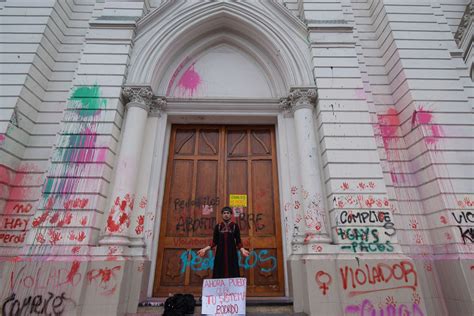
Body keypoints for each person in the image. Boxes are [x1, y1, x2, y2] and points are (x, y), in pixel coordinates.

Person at [197, 206, 249, 278]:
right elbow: (214, 242)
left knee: (232, 272)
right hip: (220, 254)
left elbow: (238, 241)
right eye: (224, 213)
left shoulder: (234, 226)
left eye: (228, 213)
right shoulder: (218, 226)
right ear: (222, 215)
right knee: (219, 272)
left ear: (231, 215)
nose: (226, 215)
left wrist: (243, 250)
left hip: (232, 254)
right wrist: (204, 249)